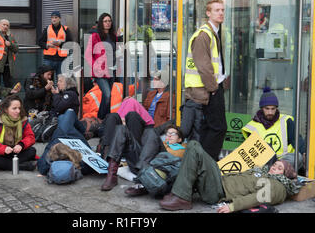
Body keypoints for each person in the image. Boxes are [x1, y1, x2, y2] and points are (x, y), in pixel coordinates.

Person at [159, 140, 301, 213]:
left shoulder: (278, 186)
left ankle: (181, 198)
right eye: (275, 165)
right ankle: (178, 193)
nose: (274, 168)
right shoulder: (264, 172)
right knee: (191, 151)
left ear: (285, 174)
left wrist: (233, 207)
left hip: (219, 191)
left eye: (279, 168)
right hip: (219, 182)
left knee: (195, 147)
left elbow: (259, 197)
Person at [183, 0, 228, 161]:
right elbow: (203, 65)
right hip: (207, 90)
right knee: (218, 128)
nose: (221, 13)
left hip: (211, 87)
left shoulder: (212, 32)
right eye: (217, 10)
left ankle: (203, 163)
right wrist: (214, 88)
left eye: (222, 10)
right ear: (208, 13)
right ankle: (206, 163)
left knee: (209, 128)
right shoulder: (204, 34)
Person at [37, 75, 93, 176]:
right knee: (69, 114)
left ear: (68, 83)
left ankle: (81, 131)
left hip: (62, 132)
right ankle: (83, 132)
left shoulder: (70, 94)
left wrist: (56, 95)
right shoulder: (84, 167)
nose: (57, 83)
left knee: (67, 115)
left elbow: (58, 107)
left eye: (60, 81)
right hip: (71, 132)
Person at [241, 87, 306, 169]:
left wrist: (304, 152)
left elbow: (297, 140)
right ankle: (270, 170)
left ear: (276, 108)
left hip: (283, 160)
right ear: (261, 109)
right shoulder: (252, 126)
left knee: (297, 157)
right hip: (264, 161)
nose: (270, 112)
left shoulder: (286, 121)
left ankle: (274, 169)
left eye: (273, 109)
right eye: (267, 109)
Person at [123, 125, 186, 196]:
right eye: (167, 134)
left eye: (173, 134)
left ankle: (141, 179)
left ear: (179, 139)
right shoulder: (159, 143)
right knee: (123, 130)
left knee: (151, 132)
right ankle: (143, 175)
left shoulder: (183, 149)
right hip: (149, 163)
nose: (169, 136)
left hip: (164, 167)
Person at [84, 12, 119, 120]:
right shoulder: (96, 35)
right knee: (107, 95)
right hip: (100, 71)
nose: (107, 23)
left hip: (111, 70)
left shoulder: (113, 36)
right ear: (101, 23)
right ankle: (101, 117)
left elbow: (115, 51)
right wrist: (95, 67)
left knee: (107, 96)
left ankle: (106, 119)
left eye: (109, 21)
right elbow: (87, 54)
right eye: (105, 21)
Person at [38, 11, 73, 76]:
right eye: (52, 18)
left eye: (56, 17)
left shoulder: (65, 29)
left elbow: (70, 44)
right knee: (47, 80)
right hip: (49, 59)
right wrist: (47, 45)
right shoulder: (47, 29)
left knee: (61, 80)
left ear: (60, 18)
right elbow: (39, 42)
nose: (54, 19)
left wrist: (60, 44)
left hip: (62, 59)